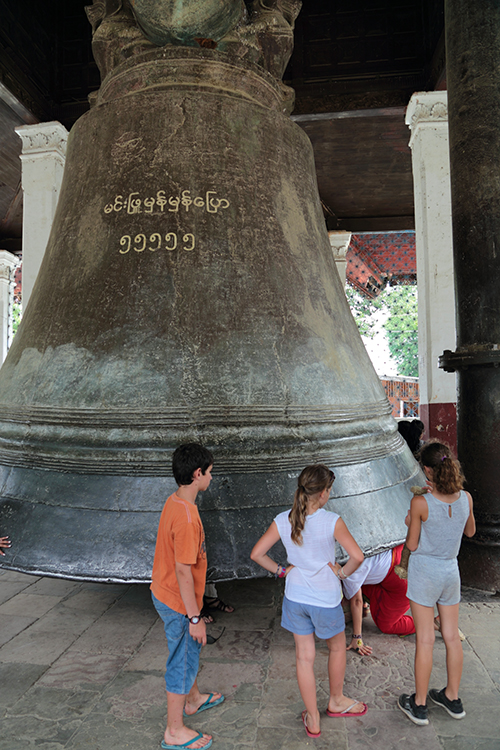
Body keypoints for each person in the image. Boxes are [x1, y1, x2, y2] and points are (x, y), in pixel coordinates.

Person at [250, 464, 367, 740]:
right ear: (324, 494)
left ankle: (312, 717)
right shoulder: (332, 521)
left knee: (304, 657)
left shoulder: (283, 519)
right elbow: (358, 556)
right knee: (337, 648)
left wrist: (281, 570)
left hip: (295, 597)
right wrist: (341, 572)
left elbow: (257, 553)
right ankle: (336, 700)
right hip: (325, 599)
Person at [151, 443, 224, 750]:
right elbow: (183, 571)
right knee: (181, 660)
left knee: (187, 652)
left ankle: (192, 699)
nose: (211, 477)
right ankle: (174, 729)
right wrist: (194, 617)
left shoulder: (177, 502)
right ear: (198, 474)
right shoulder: (186, 518)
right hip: (179, 602)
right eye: (209, 472)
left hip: (166, 593)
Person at [398, 441, 476, 726]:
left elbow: (412, 543)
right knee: (452, 636)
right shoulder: (465, 498)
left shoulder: (421, 502)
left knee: (426, 639)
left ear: (428, 471)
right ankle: (452, 698)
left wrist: (411, 519)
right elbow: (470, 531)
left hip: (424, 572)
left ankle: (418, 704)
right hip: (450, 571)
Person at [342, 543, 415, 656]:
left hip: (404, 578)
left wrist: (357, 637)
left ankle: (431, 624)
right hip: (400, 549)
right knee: (354, 587)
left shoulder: (349, 569)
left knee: (387, 625)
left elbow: (356, 601)